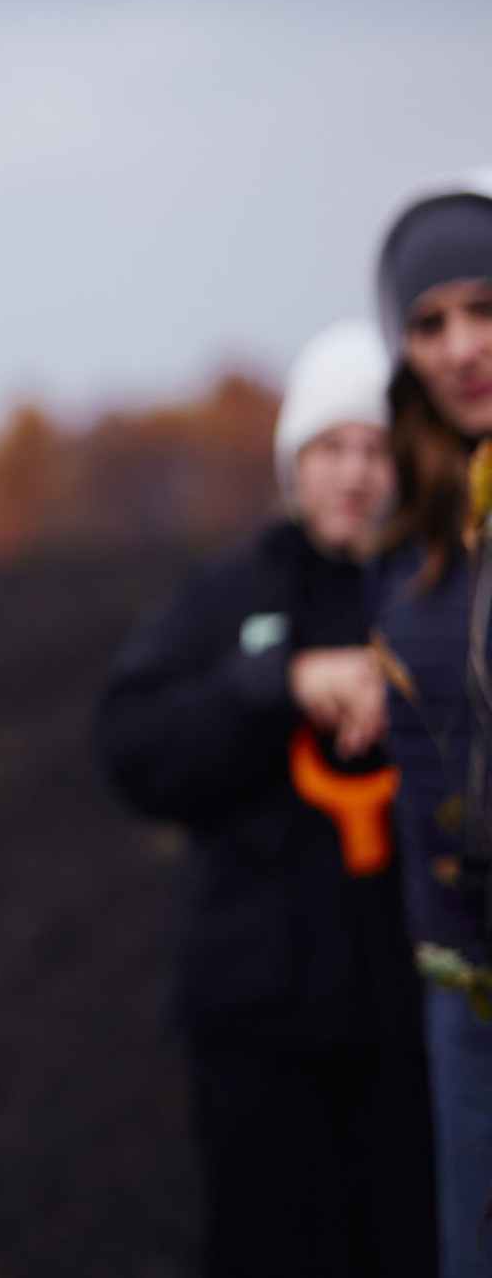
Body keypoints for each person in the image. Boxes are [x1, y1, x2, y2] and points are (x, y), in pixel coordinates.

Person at [97, 319, 435, 1276]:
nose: (355, 473)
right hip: (256, 1021)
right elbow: (131, 742)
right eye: (331, 448)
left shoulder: (433, 595)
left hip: (404, 1020)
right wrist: (276, 683)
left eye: (376, 448)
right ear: (295, 463)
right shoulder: (225, 597)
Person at [375, 174, 492, 1277]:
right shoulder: (402, 545)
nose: (462, 346)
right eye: (429, 323)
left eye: (483, 309)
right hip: (460, 988)